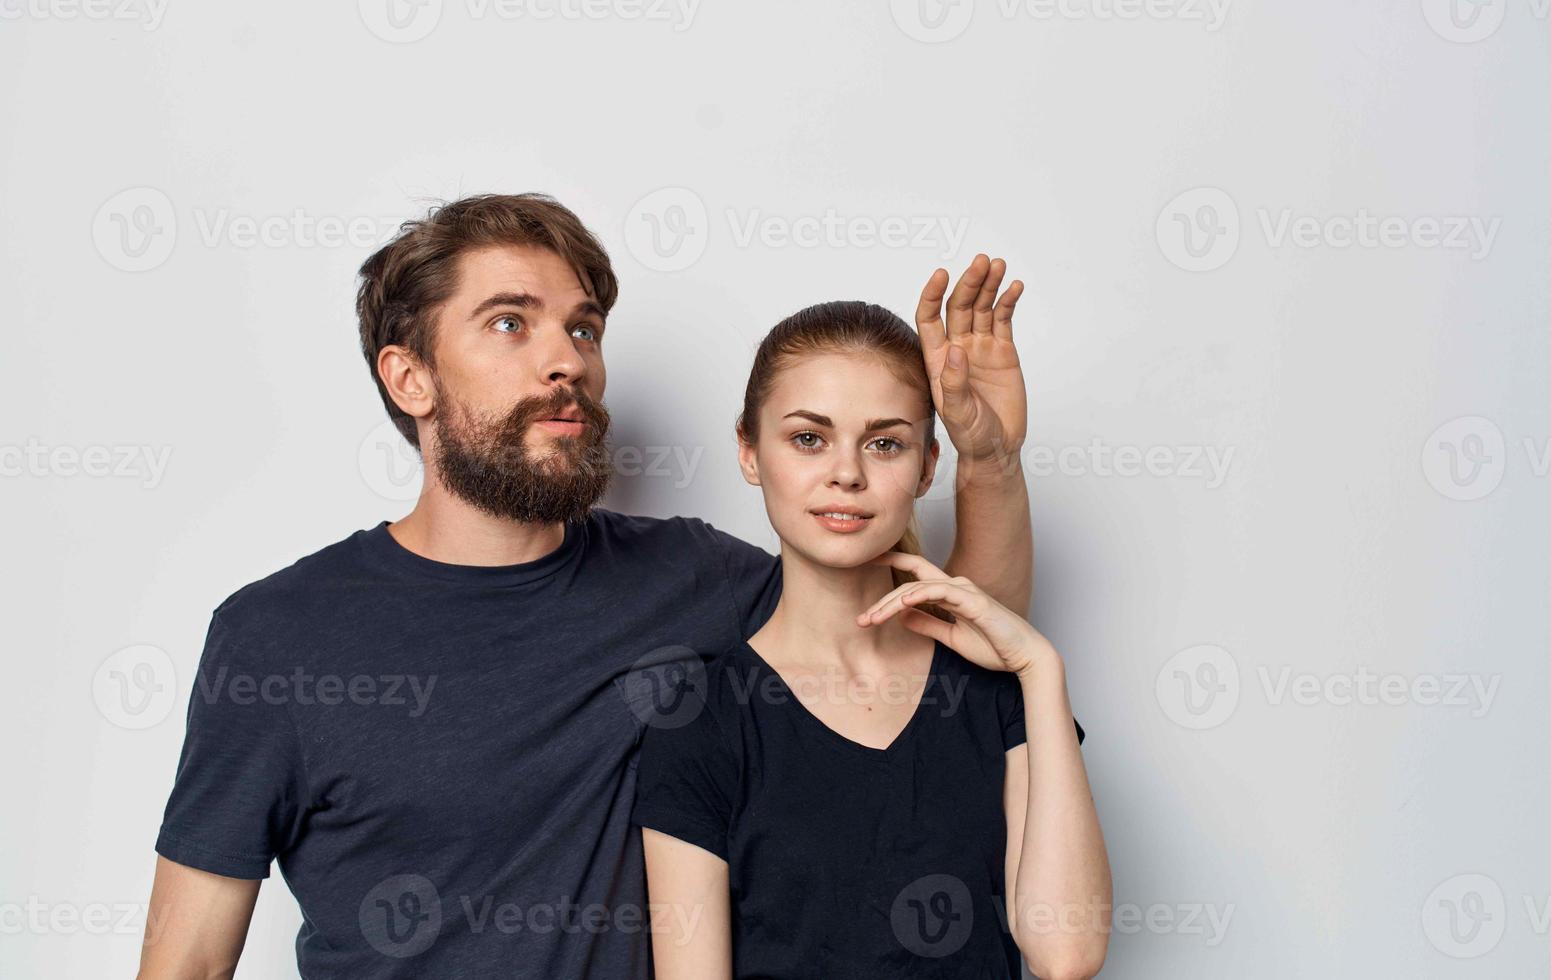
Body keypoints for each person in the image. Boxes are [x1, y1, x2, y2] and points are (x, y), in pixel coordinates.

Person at [135, 192, 1041, 979]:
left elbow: (948, 644)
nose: (565, 358)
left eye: (582, 327)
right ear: (409, 376)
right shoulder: (279, 638)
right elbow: (189, 960)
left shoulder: (688, 575)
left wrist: (989, 459)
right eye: (508, 322)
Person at [634, 301, 1111, 979]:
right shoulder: (703, 719)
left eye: (884, 442)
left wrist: (1038, 665)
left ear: (925, 467)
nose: (847, 474)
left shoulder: (989, 688)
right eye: (808, 438)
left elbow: (1067, 953)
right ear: (748, 450)